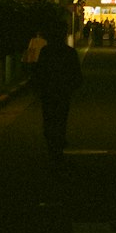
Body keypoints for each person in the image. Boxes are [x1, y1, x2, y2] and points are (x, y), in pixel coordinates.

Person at [33, 20, 83, 161]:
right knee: (61, 119)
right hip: (63, 93)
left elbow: (39, 73)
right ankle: (58, 144)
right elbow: (77, 76)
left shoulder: (46, 52)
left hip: (48, 93)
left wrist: (40, 88)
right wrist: (70, 88)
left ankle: (51, 144)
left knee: (49, 119)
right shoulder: (70, 53)